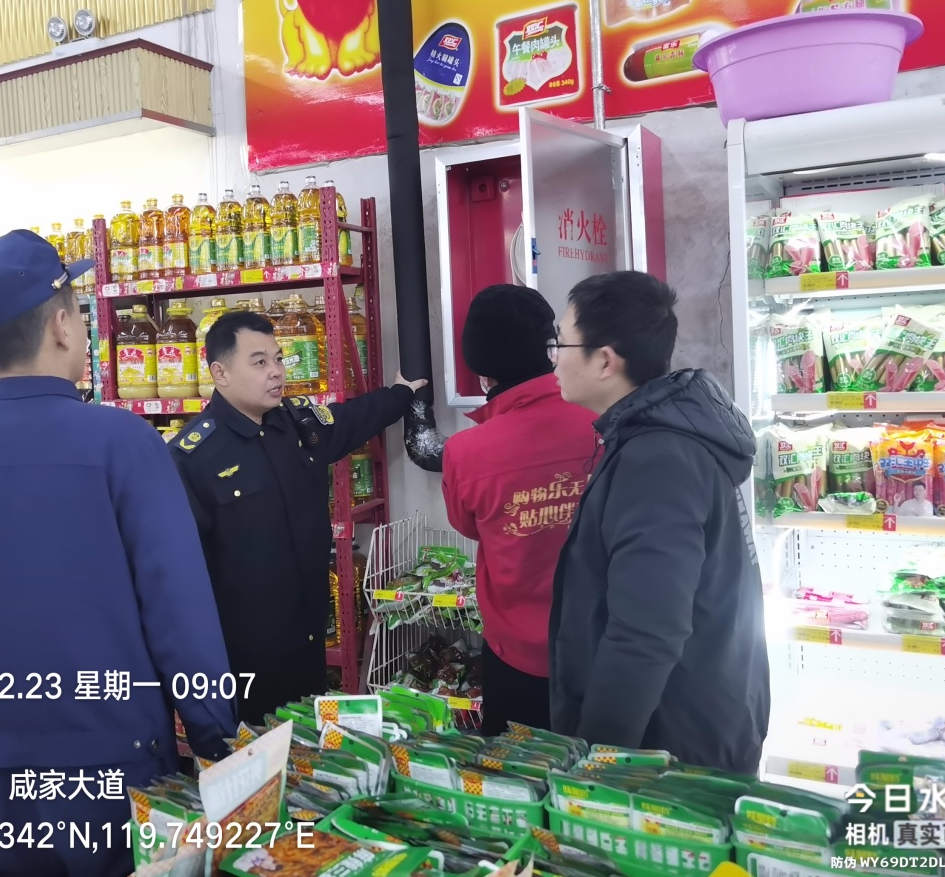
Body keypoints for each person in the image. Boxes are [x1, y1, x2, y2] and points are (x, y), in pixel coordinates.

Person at [0, 230, 236, 877]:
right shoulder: (123, 443)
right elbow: (178, 611)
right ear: (62, 326)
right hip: (116, 776)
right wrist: (217, 739)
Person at [548, 270, 770, 774]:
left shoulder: (658, 459)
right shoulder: (656, 436)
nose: (554, 359)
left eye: (560, 342)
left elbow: (647, 631)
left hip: (672, 746)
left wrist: (600, 766)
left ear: (605, 360)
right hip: (695, 716)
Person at [171, 309, 426, 723]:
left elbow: (352, 420)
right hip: (244, 657)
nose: (276, 372)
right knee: (256, 754)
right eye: (259, 362)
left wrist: (400, 394)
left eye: (278, 359)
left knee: (306, 747)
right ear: (220, 373)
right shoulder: (194, 457)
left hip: (309, 639)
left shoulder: (296, 426)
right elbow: (181, 574)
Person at [440, 285, 598, 735]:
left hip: (515, 660)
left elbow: (468, 526)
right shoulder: (602, 423)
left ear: (481, 369)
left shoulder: (465, 452)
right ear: (552, 349)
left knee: (515, 773)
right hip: (604, 651)